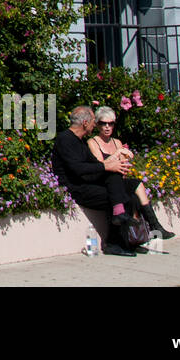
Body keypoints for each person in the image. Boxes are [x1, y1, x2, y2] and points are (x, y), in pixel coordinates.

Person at [51, 105, 144, 256]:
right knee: (118, 197)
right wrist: (106, 166)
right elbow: (78, 169)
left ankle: (131, 240)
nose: (95, 124)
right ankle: (113, 244)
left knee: (127, 190)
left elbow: (94, 165)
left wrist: (112, 165)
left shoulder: (80, 141)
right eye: (94, 121)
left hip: (87, 182)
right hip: (76, 188)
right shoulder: (65, 139)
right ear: (85, 123)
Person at [88, 106, 174, 239]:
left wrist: (125, 159)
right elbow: (101, 166)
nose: (107, 127)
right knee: (127, 192)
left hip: (118, 181)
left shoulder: (117, 142)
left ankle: (155, 226)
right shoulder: (93, 142)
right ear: (97, 125)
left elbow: (123, 168)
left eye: (110, 123)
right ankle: (138, 234)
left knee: (137, 185)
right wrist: (118, 153)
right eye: (103, 123)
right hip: (103, 182)